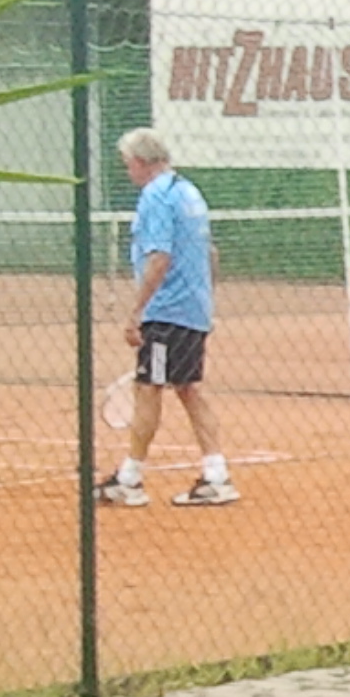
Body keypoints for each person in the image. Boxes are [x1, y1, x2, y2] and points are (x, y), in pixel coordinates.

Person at [98, 130, 237, 508]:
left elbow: (159, 258)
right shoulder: (190, 192)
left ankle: (130, 480)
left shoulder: (155, 196)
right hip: (192, 310)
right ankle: (217, 476)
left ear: (140, 162)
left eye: (128, 164)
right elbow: (210, 253)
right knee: (188, 388)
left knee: (148, 389)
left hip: (166, 312)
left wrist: (136, 313)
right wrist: (207, 305)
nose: (128, 171)